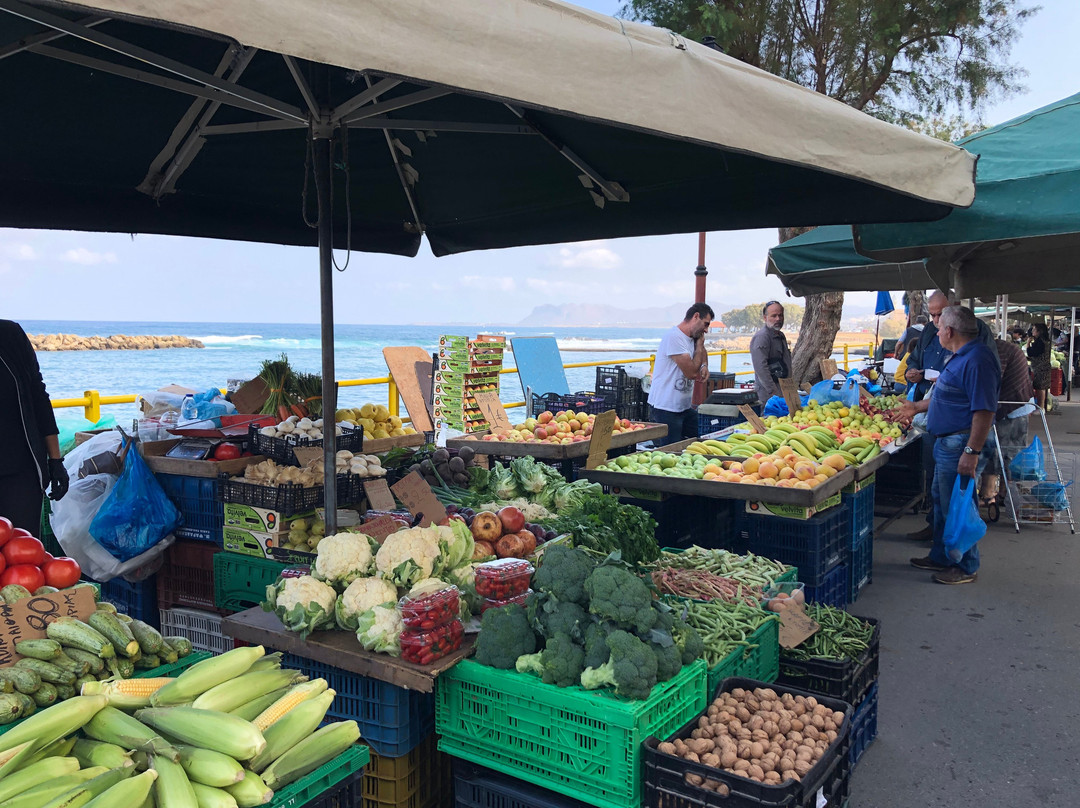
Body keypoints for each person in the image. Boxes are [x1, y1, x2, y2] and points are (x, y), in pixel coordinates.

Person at [898, 306, 999, 585]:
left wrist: (971, 451)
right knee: (942, 501)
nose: (937, 331)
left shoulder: (978, 360)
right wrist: (916, 406)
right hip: (947, 441)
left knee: (959, 505)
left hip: (960, 442)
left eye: (939, 327)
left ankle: (966, 565)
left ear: (950, 331)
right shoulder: (960, 357)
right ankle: (942, 555)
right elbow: (946, 394)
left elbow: (985, 411)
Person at [0, 320, 69, 533]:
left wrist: (56, 461)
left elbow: (39, 396)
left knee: (23, 555)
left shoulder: (9, 335)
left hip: (20, 471)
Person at [648, 303, 713, 446]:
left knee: (704, 437)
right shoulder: (674, 337)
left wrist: (704, 365)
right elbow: (691, 372)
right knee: (672, 450)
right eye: (705, 324)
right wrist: (700, 346)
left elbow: (702, 354)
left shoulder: (693, 338)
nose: (706, 330)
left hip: (683, 407)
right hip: (666, 408)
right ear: (696, 316)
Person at [983, 337, 1035, 489]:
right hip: (1019, 405)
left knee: (998, 451)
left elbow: (992, 381)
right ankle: (1005, 493)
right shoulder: (1003, 347)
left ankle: (991, 494)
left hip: (1012, 407)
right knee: (1009, 452)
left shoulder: (998, 351)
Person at [750, 301, 791, 404]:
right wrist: (773, 393)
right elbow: (761, 368)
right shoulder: (762, 337)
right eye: (774, 316)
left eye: (780, 315)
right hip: (769, 395)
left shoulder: (781, 336)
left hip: (783, 392)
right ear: (765, 318)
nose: (778, 319)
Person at [1027, 322, 1052, 411]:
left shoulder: (1040, 342)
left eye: (1034, 329)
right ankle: (1042, 407)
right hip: (1043, 366)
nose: (1032, 331)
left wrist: (1028, 343)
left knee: (1039, 387)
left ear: (1039, 331)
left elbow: (1032, 353)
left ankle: (1041, 407)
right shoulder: (1045, 341)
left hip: (1040, 367)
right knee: (1042, 387)